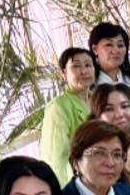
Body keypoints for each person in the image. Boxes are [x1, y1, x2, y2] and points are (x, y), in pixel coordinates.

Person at [40, 47, 96, 184]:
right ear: (64, 73)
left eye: (88, 65)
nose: (84, 71)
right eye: (76, 66)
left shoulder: (99, 99)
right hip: (78, 181)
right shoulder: (58, 107)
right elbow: (56, 158)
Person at [90, 22, 130, 116]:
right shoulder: (89, 85)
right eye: (109, 45)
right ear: (95, 49)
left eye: (120, 45)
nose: (116, 50)